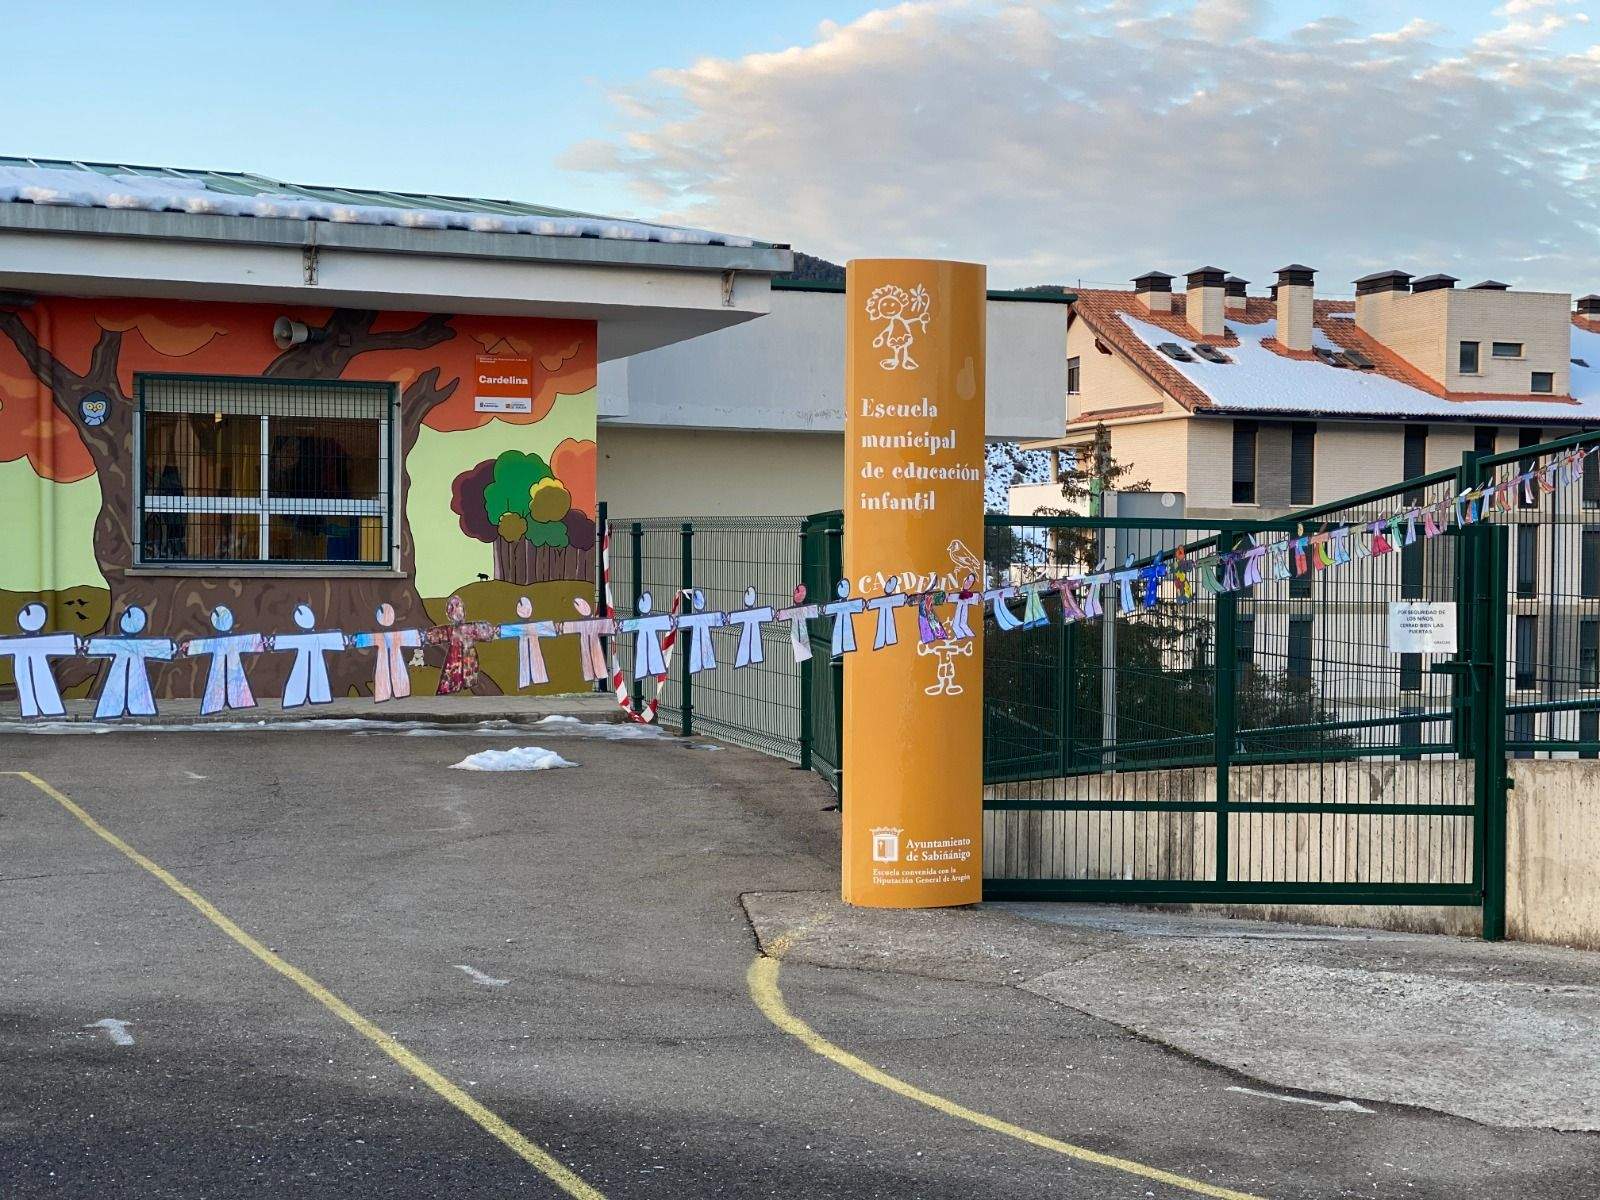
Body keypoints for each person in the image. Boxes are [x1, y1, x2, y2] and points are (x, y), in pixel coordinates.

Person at [87, 606, 176, 720]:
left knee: (126, 692)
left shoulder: (120, 643)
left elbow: (95, 646)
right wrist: (172, 648)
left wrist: (85, 647)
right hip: (125, 676)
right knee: (122, 692)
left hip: (127, 675)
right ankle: (133, 709)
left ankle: (120, 710)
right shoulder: (135, 644)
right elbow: (161, 647)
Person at [184, 605, 266, 715]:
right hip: (221, 672)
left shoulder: (225, 641)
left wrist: (187, 648)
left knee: (231, 686)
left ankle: (233, 702)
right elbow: (256, 642)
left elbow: (256, 642)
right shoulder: (227, 641)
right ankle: (223, 703)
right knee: (219, 686)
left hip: (231, 673)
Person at [0, 603, 76, 719]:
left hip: (25, 669)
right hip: (29, 669)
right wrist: (77, 644)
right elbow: (63, 642)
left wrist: (76, 644)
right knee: (37, 687)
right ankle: (47, 710)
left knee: (33, 688)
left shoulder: (19, 642)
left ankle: (37, 711)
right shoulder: (40, 641)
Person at [422, 595, 498, 695]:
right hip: (455, 661)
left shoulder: (470, 629)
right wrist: (426, 636)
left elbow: (484, 631)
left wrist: (492, 631)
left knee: (467, 675)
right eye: (453, 608)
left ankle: (464, 684)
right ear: (449, 614)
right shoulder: (452, 630)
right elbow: (437, 634)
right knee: (452, 677)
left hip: (468, 662)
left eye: (458, 607)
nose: (457, 611)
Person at [275, 603, 345, 709]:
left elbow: (281, 641)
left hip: (315, 667)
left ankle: (315, 698)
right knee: (302, 680)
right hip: (305, 667)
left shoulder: (315, 637)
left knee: (315, 681)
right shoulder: (309, 638)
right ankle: (310, 698)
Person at [348, 603, 422, 703]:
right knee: (386, 674)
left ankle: (397, 692)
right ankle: (392, 693)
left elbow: (415, 637)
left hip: (393, 659)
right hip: (386, 660)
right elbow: (415, 637)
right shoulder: (383, 635)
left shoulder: (391, 635)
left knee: (394, 672)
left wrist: (354, 641)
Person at [499, 596, 559, 690]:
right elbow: (506, 630)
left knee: (535, 662)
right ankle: (528, 681)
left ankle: (537, 679)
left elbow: (550, 628)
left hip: (534, 648)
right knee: (525, 663)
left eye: (527, 609)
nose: (525, 611)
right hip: (524, 648)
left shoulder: (534, 626)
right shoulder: (521, 627)